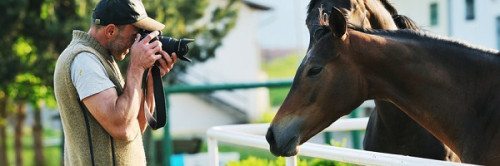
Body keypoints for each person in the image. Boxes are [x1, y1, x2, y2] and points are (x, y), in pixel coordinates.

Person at [53, 0, 177, 165]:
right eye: (134, 36)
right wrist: (137, 67)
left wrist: (150, 81)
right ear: (110, 30)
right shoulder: (84, 60)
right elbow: (121, 128)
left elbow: (135, 127)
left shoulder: (102, 59)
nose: (138, 42)